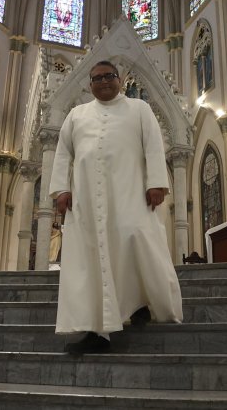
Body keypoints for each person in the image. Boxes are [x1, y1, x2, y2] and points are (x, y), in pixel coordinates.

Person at [49, 60, 183, 354]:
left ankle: (142, 302)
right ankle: (97, 328)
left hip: (131, 195)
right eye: (97, 78)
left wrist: (157, 182)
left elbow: (153, 146)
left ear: (120, 79)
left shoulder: (139, 109)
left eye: (109, 76)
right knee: (92, 261)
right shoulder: (76, 115)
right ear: (90, 84)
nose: (104, 82)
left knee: (136, 242)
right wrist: (61, 189)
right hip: (86, 202)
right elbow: (62, 155)